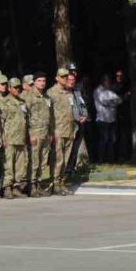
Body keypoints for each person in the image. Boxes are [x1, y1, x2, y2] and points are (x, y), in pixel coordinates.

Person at [47, 67, 76, 196]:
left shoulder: (69, 93)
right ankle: (55, 183)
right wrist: (52, 131)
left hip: (69, 130)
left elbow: (71, 113)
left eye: (66, 77)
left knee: (65, 159)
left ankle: (62, 182)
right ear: (57, 78)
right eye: (62, 77)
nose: (65, 79)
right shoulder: (51, 93)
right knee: (58, 159)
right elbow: (48, 114)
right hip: (58, 130)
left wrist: (74, 129)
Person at [0, 77, 29, 199]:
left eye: (19, 87)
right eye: (15, 87)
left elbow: (25, 121)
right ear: (9, 88)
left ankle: (17, 187)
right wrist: (2, 138)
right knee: (9, 165)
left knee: (20, 165)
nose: (17, 89)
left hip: (21, 138)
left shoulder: (22, 102)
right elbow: (1, 121)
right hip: (9, 138)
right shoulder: (5, 102)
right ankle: (7, 188)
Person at [25, 72, 53, 197]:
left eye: (44, 81)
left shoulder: (46, 97)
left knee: (43, 161)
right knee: (34, 161)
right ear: (34, 82)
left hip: (45, 133)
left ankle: (38, 184)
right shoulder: (29, 97)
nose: (42, 83)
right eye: (39, 81)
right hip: (35, 133)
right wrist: (30, 134)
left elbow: (50, 117)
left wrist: (50, 133)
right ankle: (31, 186)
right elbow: (26, 116)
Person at [93, 74, 123, 163]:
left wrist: (112, 102)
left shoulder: (110, 91)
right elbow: (104, 102)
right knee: (104, 140)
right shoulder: (97, 91)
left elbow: (120, 100)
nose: (109, 83)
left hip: (112, 119)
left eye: (109, 81)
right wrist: (113, 102)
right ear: (103, 82)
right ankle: (101, 159)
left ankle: (111, 160)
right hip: (102, 119)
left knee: (112, 140)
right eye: (107, 81)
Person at [111, 68, 131, 162]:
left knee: (126, 136)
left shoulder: (127, 85)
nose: (119, 77)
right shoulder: (113, 87)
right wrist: (124, 97)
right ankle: (116, 157)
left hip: (126, 113)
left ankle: (126, 156)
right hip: (115, 114)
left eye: (121, 76)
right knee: (116, 136)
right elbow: (115, 99)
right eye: (117, 76)